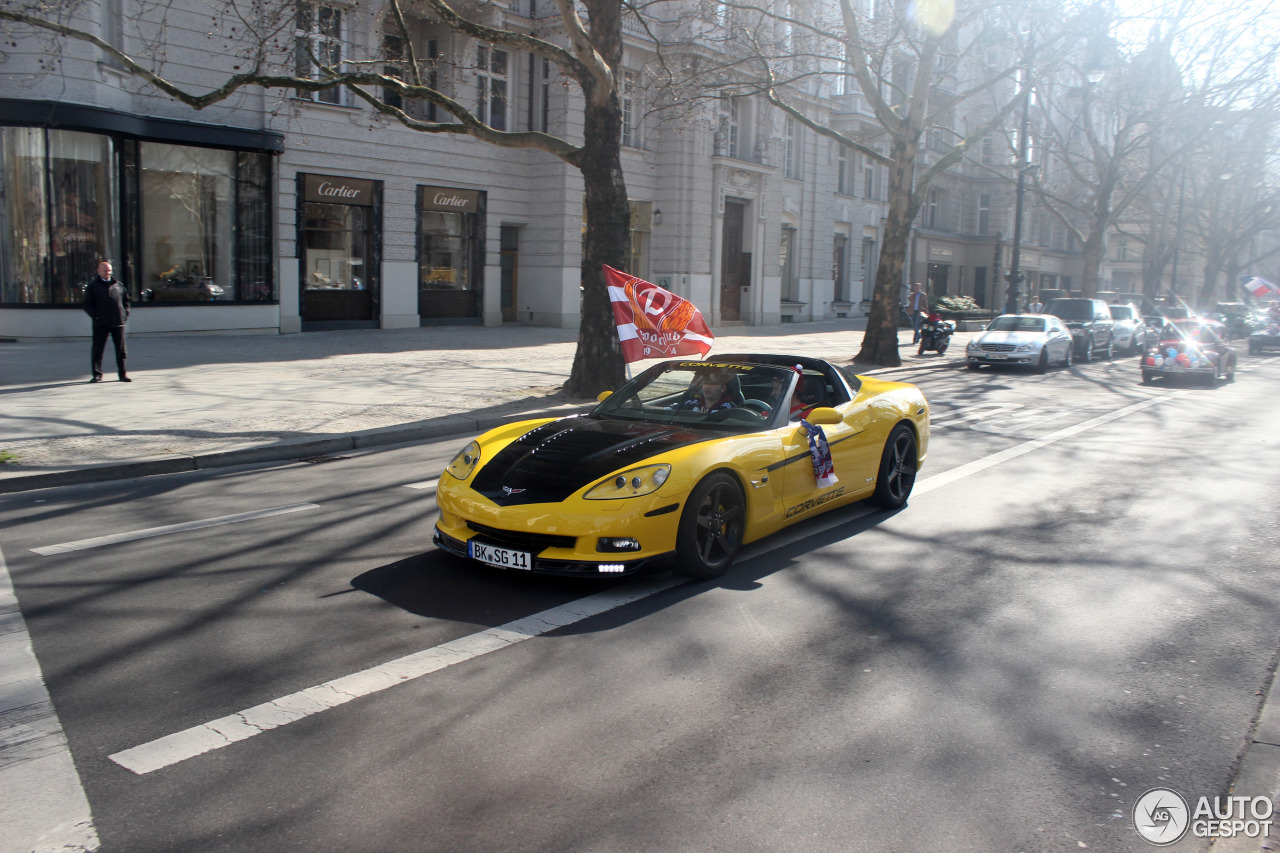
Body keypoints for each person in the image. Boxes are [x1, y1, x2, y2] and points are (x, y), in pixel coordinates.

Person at [83, 259, 131, 383]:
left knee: (121, 350)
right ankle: (97, 374)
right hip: (101, 323)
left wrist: (125, 315)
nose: (107, 272)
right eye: (104, 270)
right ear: (98, 271)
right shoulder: (93, 287)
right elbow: (87, 304)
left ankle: (122, 374)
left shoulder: (118, 285)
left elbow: (126, 301)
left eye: (109, 270)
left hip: (118, 322)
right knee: (98, 349)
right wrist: (96, 316)